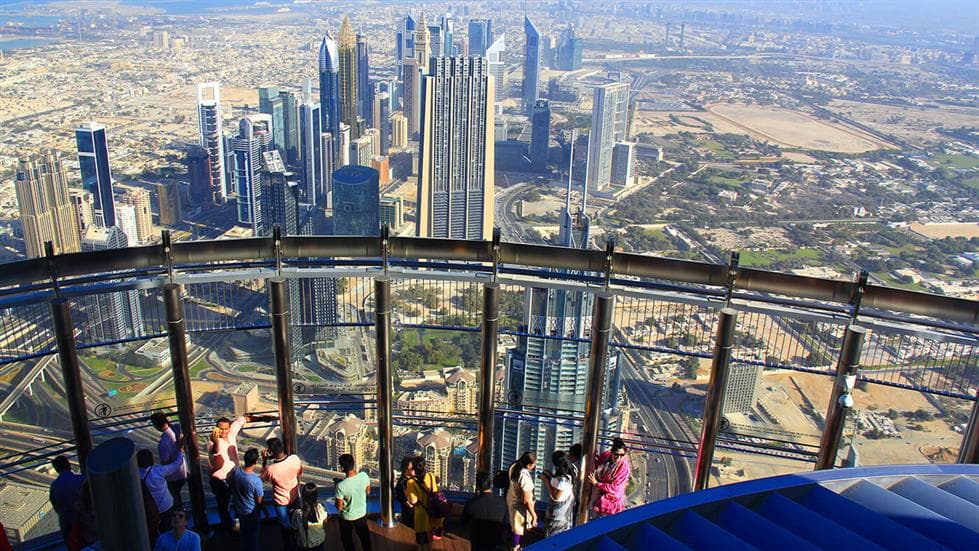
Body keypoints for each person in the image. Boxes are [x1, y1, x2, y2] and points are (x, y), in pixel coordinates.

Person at [208, 413, 274, 532]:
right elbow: (215, 452)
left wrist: (261, 418)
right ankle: (228, 530)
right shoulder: (212, 442)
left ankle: (239, 524)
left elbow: (243, 420)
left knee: (238, 501)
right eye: (221, 429)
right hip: (220, 481)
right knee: (224, 507)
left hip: (234, 476)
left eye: (226, 428)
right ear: (216, 429)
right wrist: (216, 440)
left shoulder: (231, 433)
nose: (224, 431)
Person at [262, 437, 302, 550]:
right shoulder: (294, 459)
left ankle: (289, 547)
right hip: (295, 497)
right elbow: (300, 472)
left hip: (281, 502)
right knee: (297, 524)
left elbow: (263, 478)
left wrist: (265, 460)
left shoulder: (271, 469)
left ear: (271, 452)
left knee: (286, 528)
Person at [137, 446, 186, 534]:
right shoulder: (159, 470)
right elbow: (177, 464)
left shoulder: (137, 475)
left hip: (150, 510)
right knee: (169, 530)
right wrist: (180, 451)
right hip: (166, 506)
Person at [461, 471, 509, 551]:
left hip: (478, 545)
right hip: (497, 544)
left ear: (477, 486)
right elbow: (506, 523)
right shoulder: (502, 502)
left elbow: (464, 524)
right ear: (491, 485)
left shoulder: (471, 503)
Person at [150, 412, 188, 512]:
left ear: (156, 426)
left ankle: (179, 514)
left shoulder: (163, 443)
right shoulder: (177, 428)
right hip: (184, 470)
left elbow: (165, 464)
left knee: (175, 500)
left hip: (174, 476)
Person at [334, 453, 372, 551]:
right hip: (361, 514)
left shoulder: (341, 486)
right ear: (353, 463)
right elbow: (368, 492)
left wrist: (338, 486)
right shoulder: (364, 476)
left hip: (347, 517)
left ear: (342, 468)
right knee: (365, 538)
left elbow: (339, 507)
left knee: (347, 540)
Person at [229, 448, 264, 551]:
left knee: (244, 535)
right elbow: (259, 501)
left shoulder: (236, 471)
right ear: (256, 462)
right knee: (253, 537)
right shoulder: (256, 481)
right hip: (251, 512)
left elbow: (229, 481)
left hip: (239, 509)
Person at [587, 437, 631, 517]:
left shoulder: (624, 467)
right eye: (616, 454)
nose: (619, 457)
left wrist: (596, 483)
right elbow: (597, 464)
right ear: (612, 452)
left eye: (622, 455)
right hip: (598, 492)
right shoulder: (606, 456)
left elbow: (615, 487)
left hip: (611, 500)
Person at [506, 452, 537, 551]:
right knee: (518, 528)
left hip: (511, 497)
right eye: (534, 464)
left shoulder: (514, 466)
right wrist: (534, 515)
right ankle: (515, 547)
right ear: (529, 464)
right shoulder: (524, 477)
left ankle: (512, 544)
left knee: (513, 524)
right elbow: (527, 500)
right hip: (519, 505)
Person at [49, 455, 85, 540]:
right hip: (84, 518)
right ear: (69, 465)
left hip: (66, 520)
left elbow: (55, 505)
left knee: (71, 542)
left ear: (56, 470)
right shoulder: (82, 480)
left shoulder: (54, 486)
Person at [540, 451, 575, 536]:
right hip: (565, 507)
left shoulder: (563, 480)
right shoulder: (570, 471)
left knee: (553, 532)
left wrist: (546, 481)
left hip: (558, 510)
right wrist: (550, 475)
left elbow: (556, 496)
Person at [291, 482, 327, 551]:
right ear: (316, 496)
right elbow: (325, 520)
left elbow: (294, 527)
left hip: (304, 544)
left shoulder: (298, 513)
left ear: (303, 496)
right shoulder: (320, 507)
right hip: (319, 541)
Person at [395, 456, 415, 529]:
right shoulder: (402, 484)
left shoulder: (413, 479)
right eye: (412, 468)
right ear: (406, 469)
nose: (414, 470)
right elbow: (406, 502)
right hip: (410, 516)